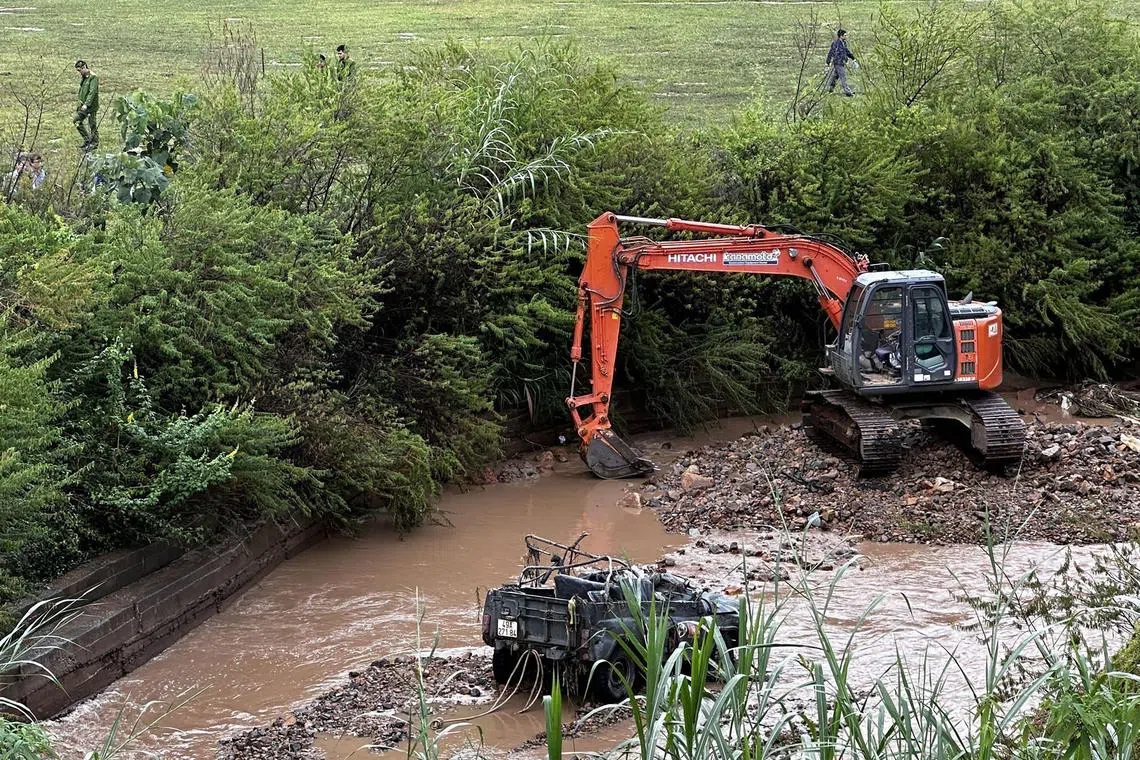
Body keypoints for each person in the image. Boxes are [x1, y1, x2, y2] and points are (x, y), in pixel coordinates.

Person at [74, 60, 100, 150]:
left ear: (84, 67)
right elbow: (82, 92)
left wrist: (87, 104)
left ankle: (94, 143)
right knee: (76, 121)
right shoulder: (84, 77)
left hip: (90, 107)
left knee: (92, 124)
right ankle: (87, 140)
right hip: (82, 106)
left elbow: (92, 92)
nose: (79, 72)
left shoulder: (93, 77)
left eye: (80, 70)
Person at [825, 29, 857, 97]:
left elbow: (847, 51)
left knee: (835, 77)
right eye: (845, 35)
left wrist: (853, 58)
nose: (846, 36)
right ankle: (848, 92)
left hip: (841, 63)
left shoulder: (844, 43)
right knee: (843, 77)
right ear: (841, 36)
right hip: (838, 63)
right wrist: (828, 62)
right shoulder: (835, 43)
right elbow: (831, 52)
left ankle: (830, 89)